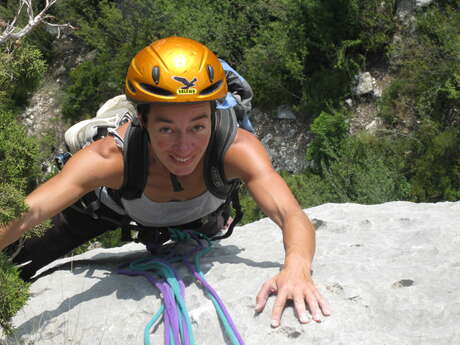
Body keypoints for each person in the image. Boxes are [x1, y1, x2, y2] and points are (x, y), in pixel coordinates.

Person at [0, 36, 330, 327]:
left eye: (198, 127)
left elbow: (291, 215)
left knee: (204, 227)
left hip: (199, 216)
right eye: (167, 129)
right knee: (17, 265)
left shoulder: (237, 150)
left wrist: (297, 268)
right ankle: (101, 121)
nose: (184, 147)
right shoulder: (111, 159)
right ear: (143, 120)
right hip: (106, 209)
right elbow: (28, 212)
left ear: (214, 117)